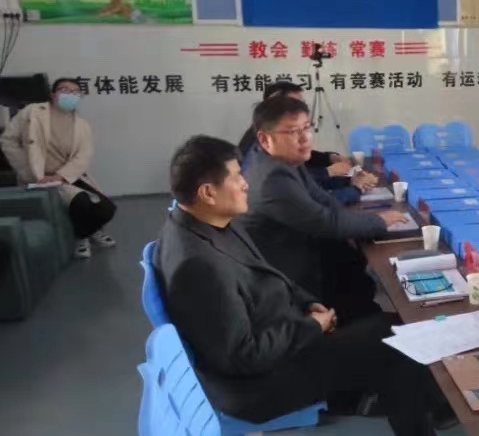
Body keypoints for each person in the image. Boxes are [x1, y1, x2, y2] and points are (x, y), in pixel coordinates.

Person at [156, 135, 445, 434]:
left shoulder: (205, 223)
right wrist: (311, 327)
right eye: (236, 177)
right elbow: (244, 356)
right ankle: (431, 410)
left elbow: (266, 271)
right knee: (394, 340)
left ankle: (428, 406)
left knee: (387, 330)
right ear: (207, 192)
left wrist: (306, 302)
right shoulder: (198, 265)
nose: (245, 183)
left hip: (278, 331)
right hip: (260, 385)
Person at [237, 96, 405, 323]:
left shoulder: (284, 160)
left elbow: (323, 199)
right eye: (292, 132)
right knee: (355, 272)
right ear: (265, 139)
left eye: (307, 127)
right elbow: (327, 223)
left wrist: (358, 219)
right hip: (290, 280)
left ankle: (366, 317)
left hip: (303, 249)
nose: (305, 138)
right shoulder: (271, 179)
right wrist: (380, 221)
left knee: (355, 265)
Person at [1, 78, 116, 258]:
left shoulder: (82, 125)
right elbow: (8, 140)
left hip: (68, 176)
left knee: (107, 207)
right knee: (80, 201)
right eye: (64, 90)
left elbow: (83, 156)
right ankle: (82, 238)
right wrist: (25, 168)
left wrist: (60, 176)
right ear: (53, 95)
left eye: (75, 92)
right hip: (39, 176)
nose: (70, 95)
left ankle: (90, 231)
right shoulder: (32, 112)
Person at [238, 81, 375, 204]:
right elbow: (313, 201)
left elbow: (312, 189)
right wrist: (331, 173)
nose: (305, 138)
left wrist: (331, 161)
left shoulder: (276, 140)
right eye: (293, 103)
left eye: (306, 127)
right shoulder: (263, 153)